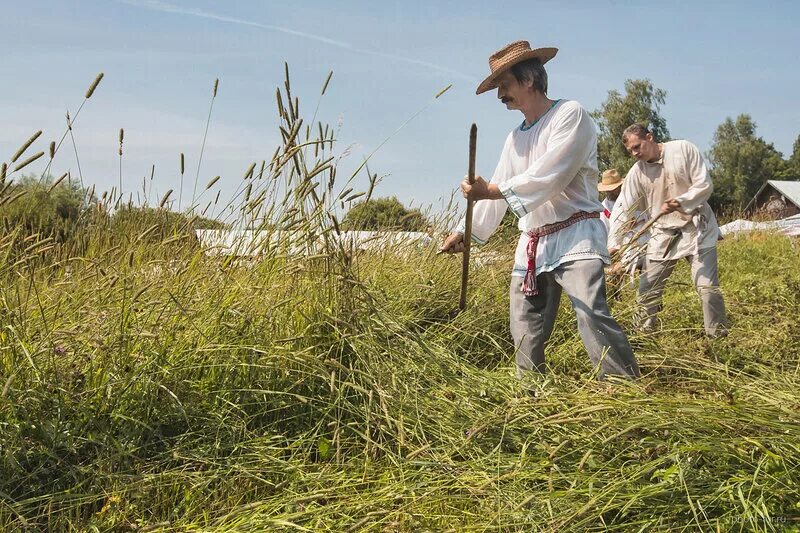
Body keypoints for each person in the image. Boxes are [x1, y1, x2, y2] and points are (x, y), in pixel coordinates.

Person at [440, 40, 639, 380]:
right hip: (533, 244)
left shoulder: (569, 115)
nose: (501, 94)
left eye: (505, 85)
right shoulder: (514, 138)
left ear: (529, 80)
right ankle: (530, 397)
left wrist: (489, 189)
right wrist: (466, 231)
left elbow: (551, 174)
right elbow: (499, 190)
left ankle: (624, 388)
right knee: (524, 327)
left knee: (591, 314)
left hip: (575, 235)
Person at [609, 123, 728, 337]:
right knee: (647, 290)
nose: (635, 153)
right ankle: (642, 337)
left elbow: (704, 185)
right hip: (663, 234)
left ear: (650, 137)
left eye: (637, 146)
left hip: (697, 228)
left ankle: (717, 338)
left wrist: (682, 201)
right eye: (630, 151)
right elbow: (623, 208)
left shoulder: (683, 149)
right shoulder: (637, 172)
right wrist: (614, 243)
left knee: (707, 288)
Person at [600, 169, 647, 279]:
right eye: (608, 190)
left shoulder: (633, 200)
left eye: (613, 189)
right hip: (617, 249)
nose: (611, 192)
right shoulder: (603, 210)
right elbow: (605, 234)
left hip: (641, 242)